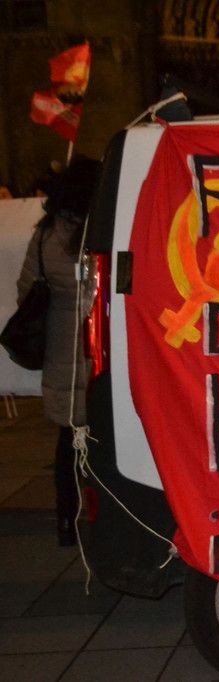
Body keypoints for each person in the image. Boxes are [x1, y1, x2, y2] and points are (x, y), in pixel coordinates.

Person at [15, 156, 100, 545]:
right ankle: (101, 514)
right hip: (94, 345)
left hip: (58, 347)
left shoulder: (46, 234)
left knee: (67, 439)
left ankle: (66, 519)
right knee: (100, 437)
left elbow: (26, 289)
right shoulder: (97, 231)